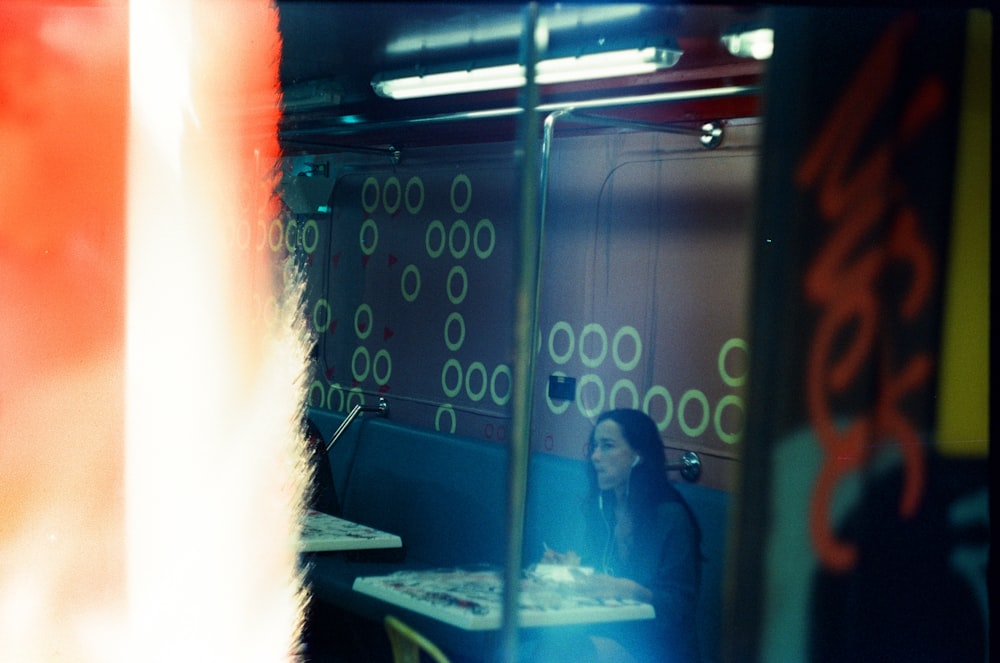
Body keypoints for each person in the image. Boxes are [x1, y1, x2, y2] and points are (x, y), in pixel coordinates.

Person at [541, 409, 702, 663]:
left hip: (658, 647)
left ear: (638, 455)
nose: (595, 456)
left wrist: (632, 591)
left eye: (607, 446)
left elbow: (679, 605)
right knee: (548, 644)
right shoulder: (600, 508)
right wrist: (567, 568)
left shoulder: (671, 517)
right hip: (606, 631)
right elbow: (596, 571)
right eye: (594, 446)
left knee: (566, 651)